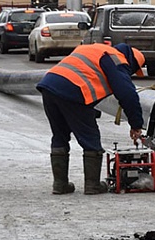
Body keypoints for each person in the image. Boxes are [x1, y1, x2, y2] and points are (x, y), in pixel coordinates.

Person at [36, 43, 146, 195]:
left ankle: (60, 185)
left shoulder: (95, 49)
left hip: (49, 86)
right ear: (131, 62)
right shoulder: (117, 59)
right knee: (90, 138)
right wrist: (136, 125)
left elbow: (85, 75)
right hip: (73, 91)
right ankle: (92, 185)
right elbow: (127, 94)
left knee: (59, 135)